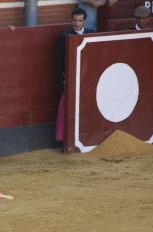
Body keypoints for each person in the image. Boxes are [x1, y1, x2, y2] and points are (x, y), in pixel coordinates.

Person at [54, 8, 95, 142]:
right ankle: (64, 138)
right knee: (67, 106)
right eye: (75, 20)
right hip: (70, 78)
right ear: (71, 20)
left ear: (85, 21)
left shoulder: (91, 33)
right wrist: (65, 77)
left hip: (87, 79)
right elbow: (59, 60)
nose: (77, 24)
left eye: (80, 21)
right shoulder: (64, 36)